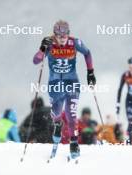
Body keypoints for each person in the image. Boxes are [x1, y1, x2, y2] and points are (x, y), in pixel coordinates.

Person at [33, 20, 96, 158]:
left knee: (71, 113)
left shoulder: (75, 42)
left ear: (68, 33)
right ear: (54, 35)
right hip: (55, 84)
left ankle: (74, 143)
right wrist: (42, 49)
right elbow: (36, 61)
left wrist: (90, 72)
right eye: (59, 36)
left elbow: (87, 53)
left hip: (71, 82)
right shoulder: (49, 43)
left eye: (65, 35)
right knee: (56, 113)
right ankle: (57, 124)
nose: (62, 39)